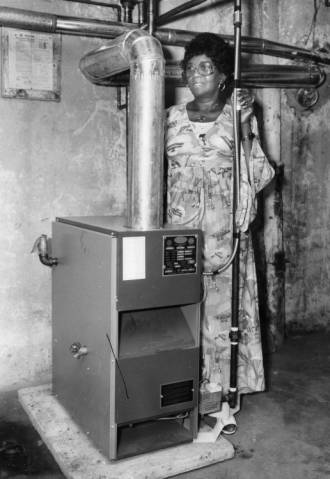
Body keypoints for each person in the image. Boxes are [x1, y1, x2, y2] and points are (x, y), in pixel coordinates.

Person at [165, 32, 275, 437]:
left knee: (224, 317)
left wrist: (244, 125)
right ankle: (179, 392)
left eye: (206, 67)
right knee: (183, 313)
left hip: (226, 235)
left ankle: (223, 400)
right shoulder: (171, 118)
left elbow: (259, 172)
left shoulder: (239, 115)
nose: (196, 75)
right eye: (191, 68)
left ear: (224, 75)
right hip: (181, 231)